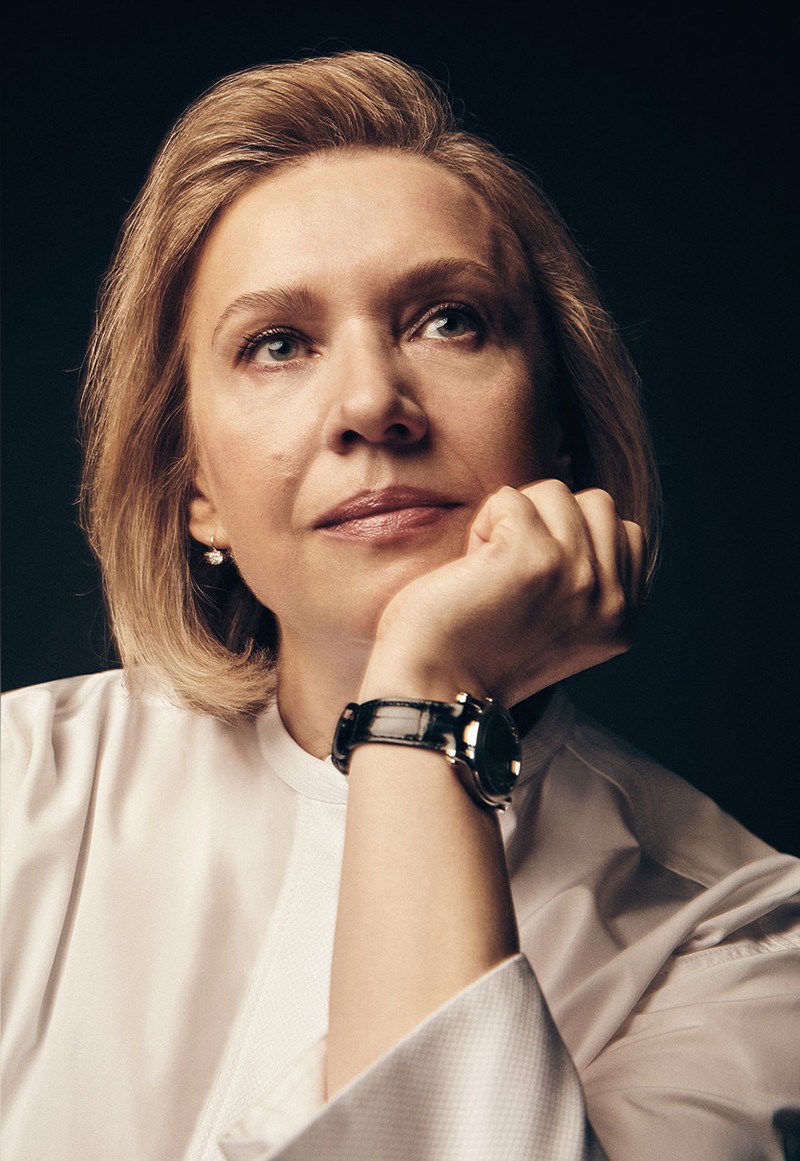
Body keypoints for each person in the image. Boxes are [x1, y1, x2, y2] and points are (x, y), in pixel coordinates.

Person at [1, 50, 798, 1161]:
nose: (373, 402)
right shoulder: (22, 789)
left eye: (449, 321)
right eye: (277, 345)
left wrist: (425, 693)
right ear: (196, 492)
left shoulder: (738, 935)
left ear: (559, 427)